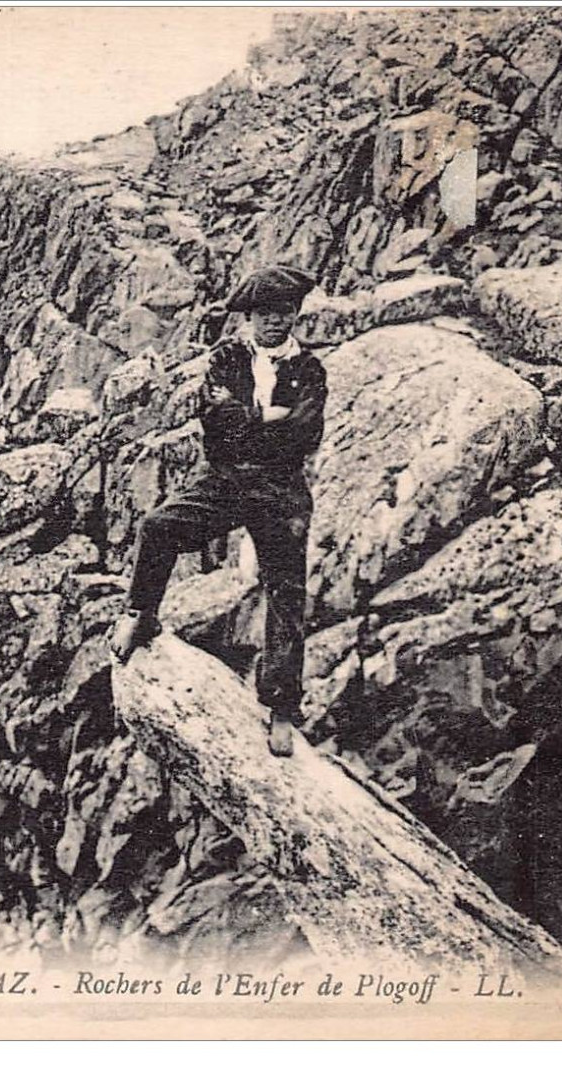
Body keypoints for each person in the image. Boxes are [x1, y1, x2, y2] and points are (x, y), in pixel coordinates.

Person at [110, 264, 328, 758]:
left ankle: (280, 708)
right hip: (226, 479)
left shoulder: (310, 369)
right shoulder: (227, 357)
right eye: (266, 313)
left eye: (286, 312)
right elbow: (217, 423)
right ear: (249, 316)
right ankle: (141, 614)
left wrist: (249, 420)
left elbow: (305, 434)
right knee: (159, 526)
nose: (277, 321)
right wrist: (266, 420)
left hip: (280, 489)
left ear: (295, 314)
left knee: (286, 591)